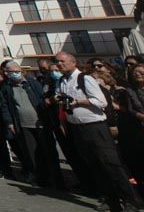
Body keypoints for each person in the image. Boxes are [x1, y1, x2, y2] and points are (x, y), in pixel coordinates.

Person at [55, 50, 140, 212]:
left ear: (73, 62)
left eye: (62, 61)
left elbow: (100, 102)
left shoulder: (85, 78)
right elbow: (60, 99)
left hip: (95, 127)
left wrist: (78, 102)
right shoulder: (61, 82)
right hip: (77, 128)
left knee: (112, 165)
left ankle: (130, 201)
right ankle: (111, 199)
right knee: (95, 166)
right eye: (57, 62)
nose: (59, 64)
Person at [121, 64, 144, 192]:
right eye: (135, 72)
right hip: (140, 127)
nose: (137, 74)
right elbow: (131, 109)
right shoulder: (130, 91)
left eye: (140, 72)